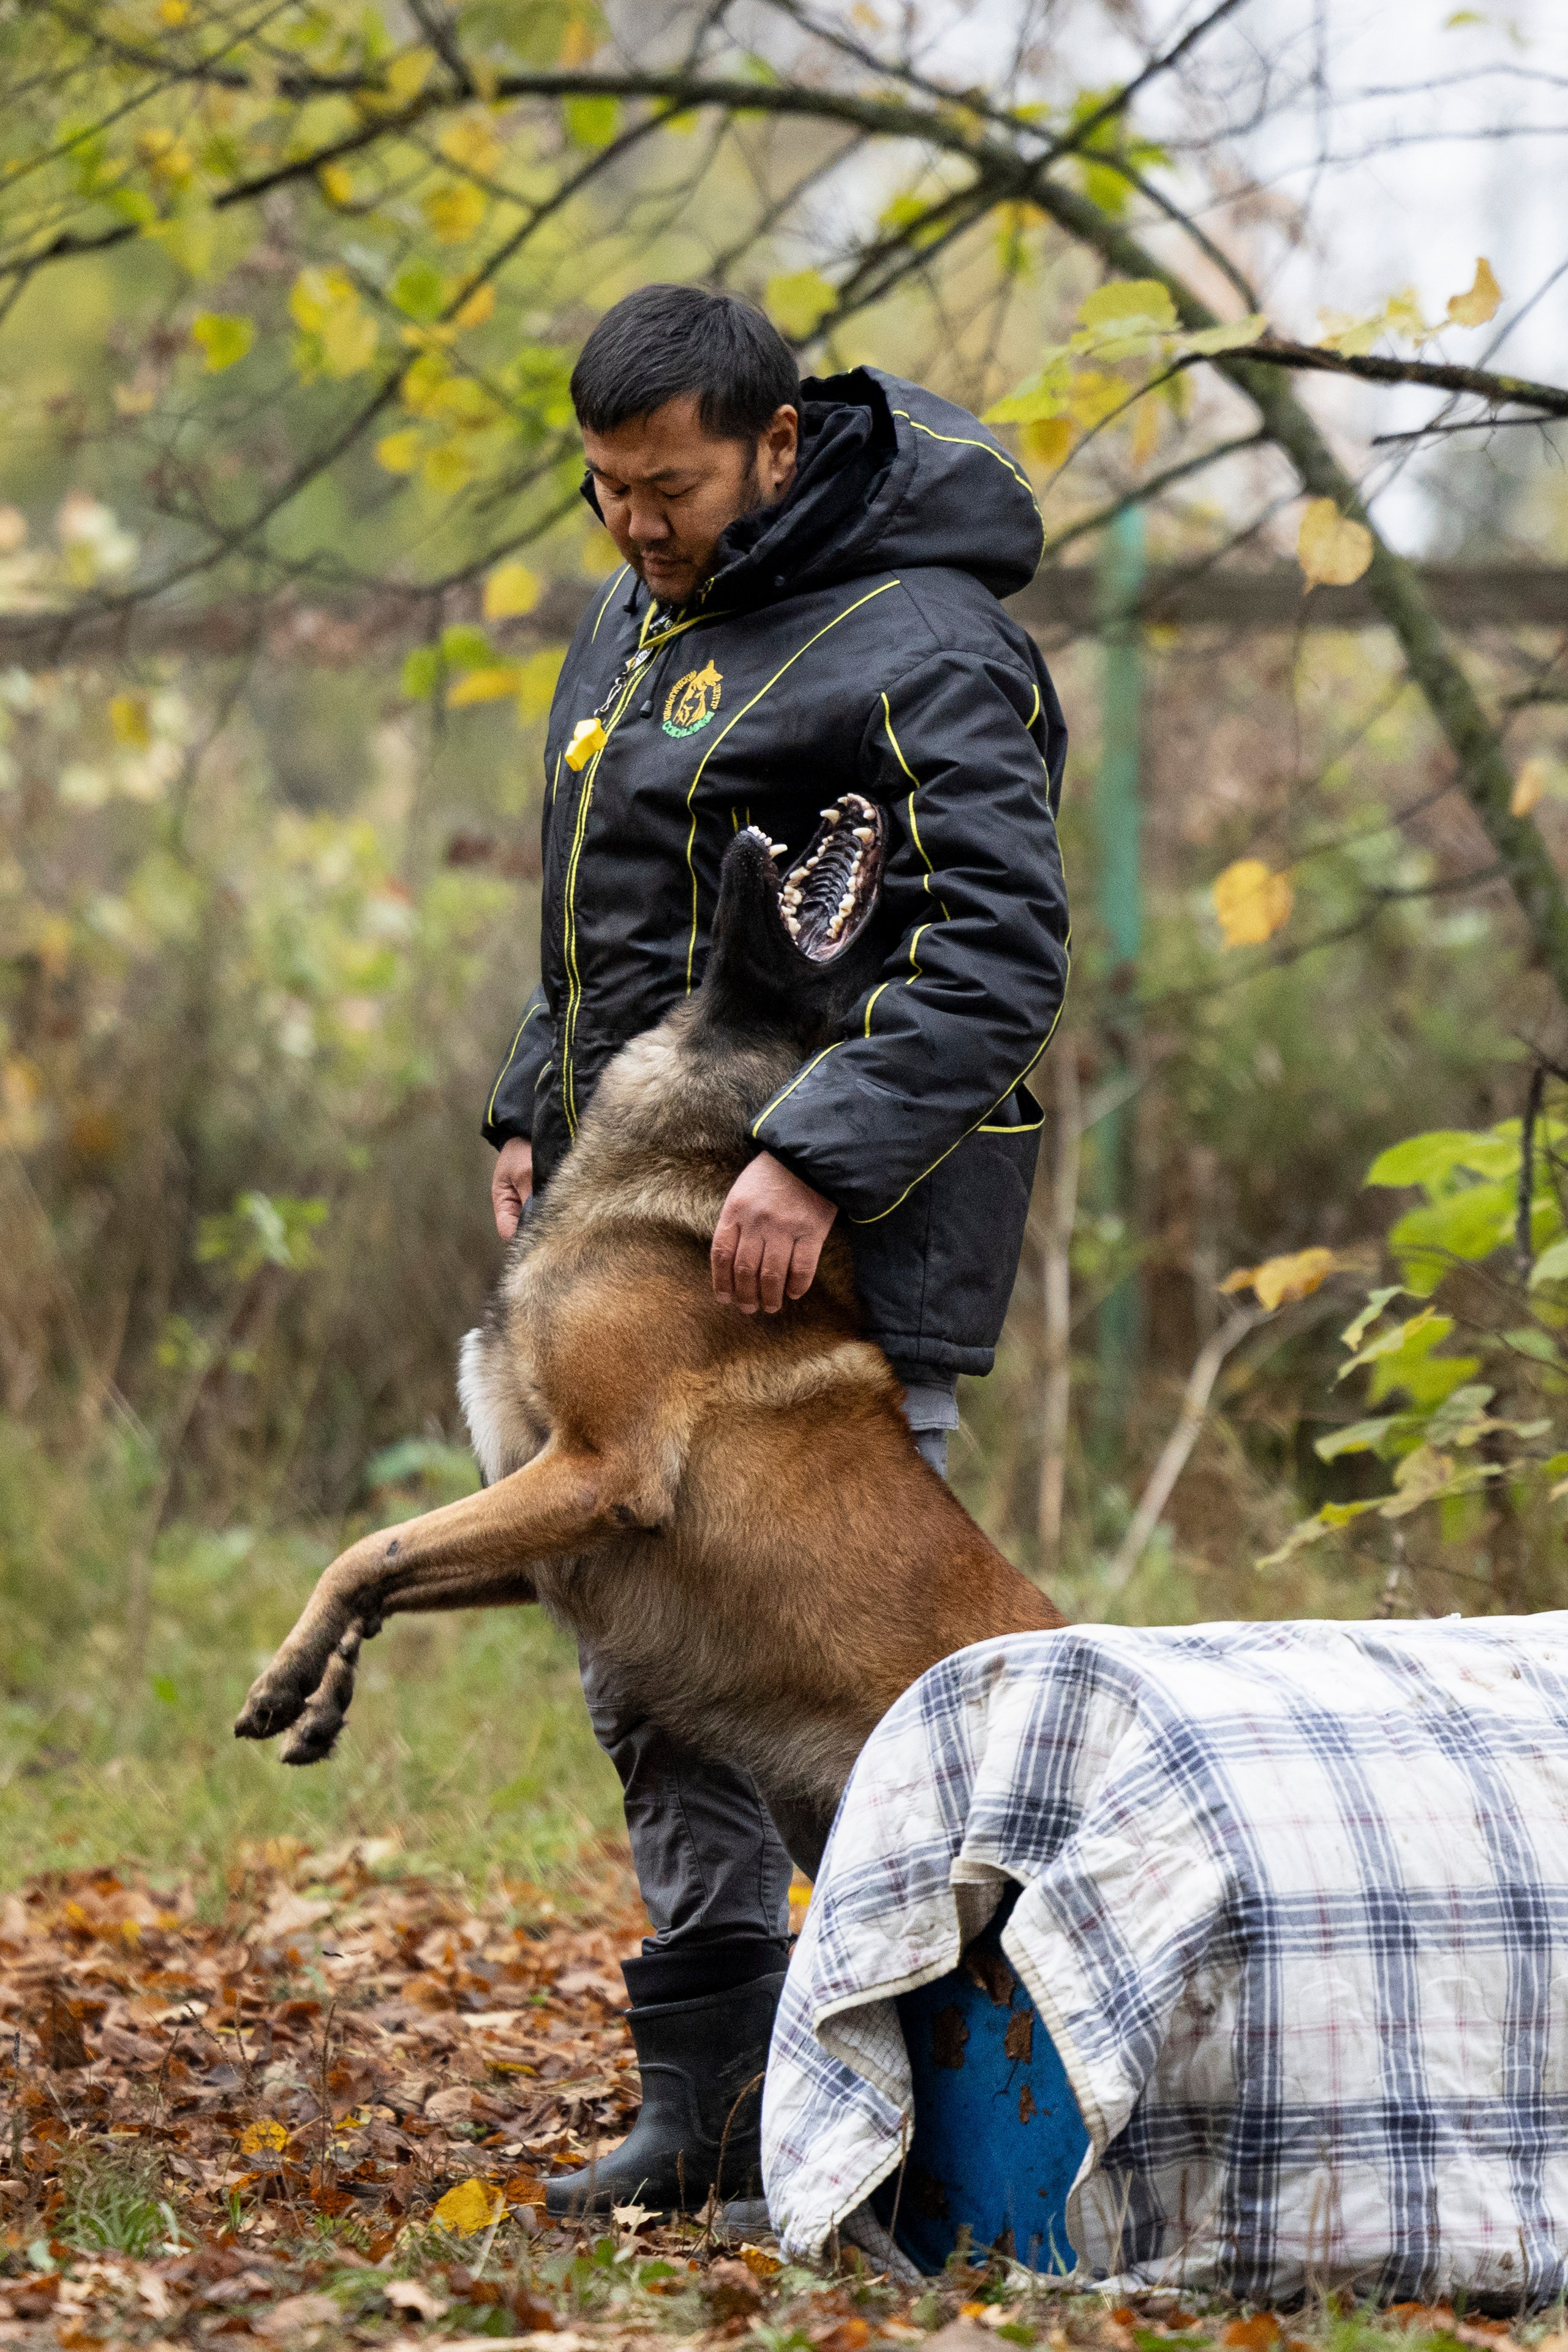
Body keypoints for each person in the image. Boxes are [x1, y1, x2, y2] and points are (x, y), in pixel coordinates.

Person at [481, 284, 1069, 2216]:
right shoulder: (635, 622)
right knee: (650, 1684)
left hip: (841, 1256)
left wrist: (814, 1159)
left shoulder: (929, 642)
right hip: (640, 1233)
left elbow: (997, 948)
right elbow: (613, 925)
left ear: (780, 445)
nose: (635, 529)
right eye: (604, 494)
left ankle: (923, 2132)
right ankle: (713, 2105)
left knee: (869, 1709)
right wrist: (527, 1104)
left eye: (669, 490)